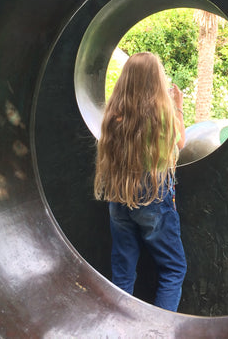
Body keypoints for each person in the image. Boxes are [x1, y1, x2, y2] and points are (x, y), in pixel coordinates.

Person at [94, 52, 187, 312]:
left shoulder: (113, 116)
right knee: (173, 269)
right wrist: (177, 105)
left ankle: (119, 330)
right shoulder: (162, 114)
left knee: (123, 273)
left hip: (119, 195)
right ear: (156, 81)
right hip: (153, 197)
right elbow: (181, 143)